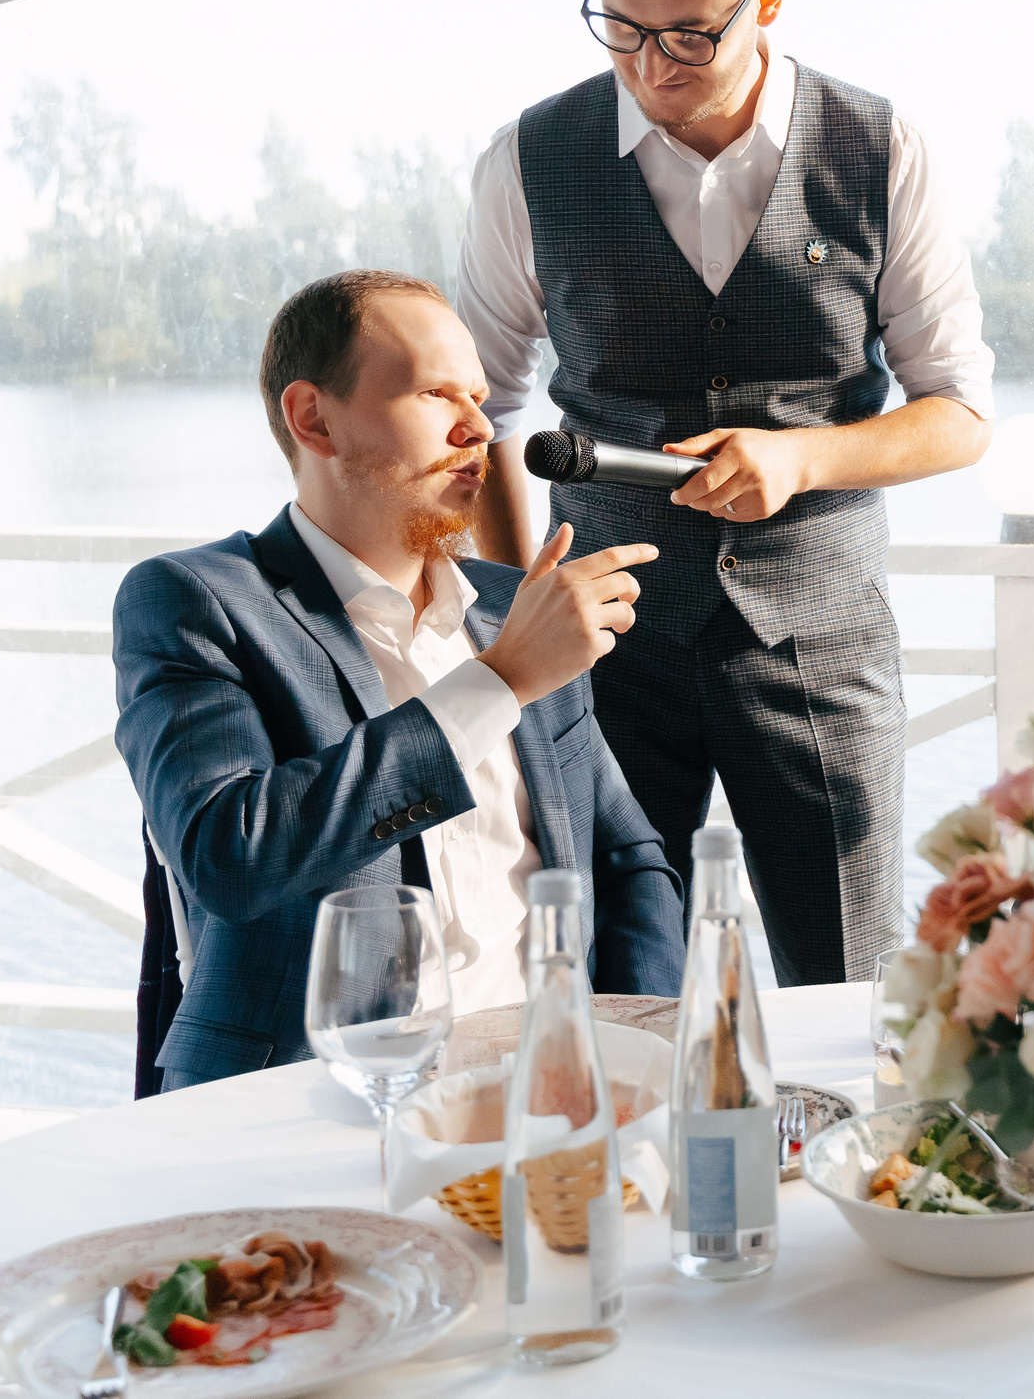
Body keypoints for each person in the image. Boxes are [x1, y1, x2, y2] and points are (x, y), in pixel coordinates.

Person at [458, 0, 994, 988]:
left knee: (848, 993)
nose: (652, 66)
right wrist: (519, 620)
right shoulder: (527, 159)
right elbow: (473, 419)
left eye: (690, 33)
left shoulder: (880, 149)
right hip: (602, 651)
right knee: (598, 991)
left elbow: (959, 414)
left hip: (819, 637)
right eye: (621, 27)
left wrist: (805, 459)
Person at [113, 271, 686, 1090]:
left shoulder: (511, 605)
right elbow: (229, 855)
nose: (479, 428)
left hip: (551, 1090)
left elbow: (629, 862)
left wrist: (639, 1049)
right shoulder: (195, 602)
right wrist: (497, 684)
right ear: (314, 418)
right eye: (435, 395)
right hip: (315, 1105)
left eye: (482, 397)